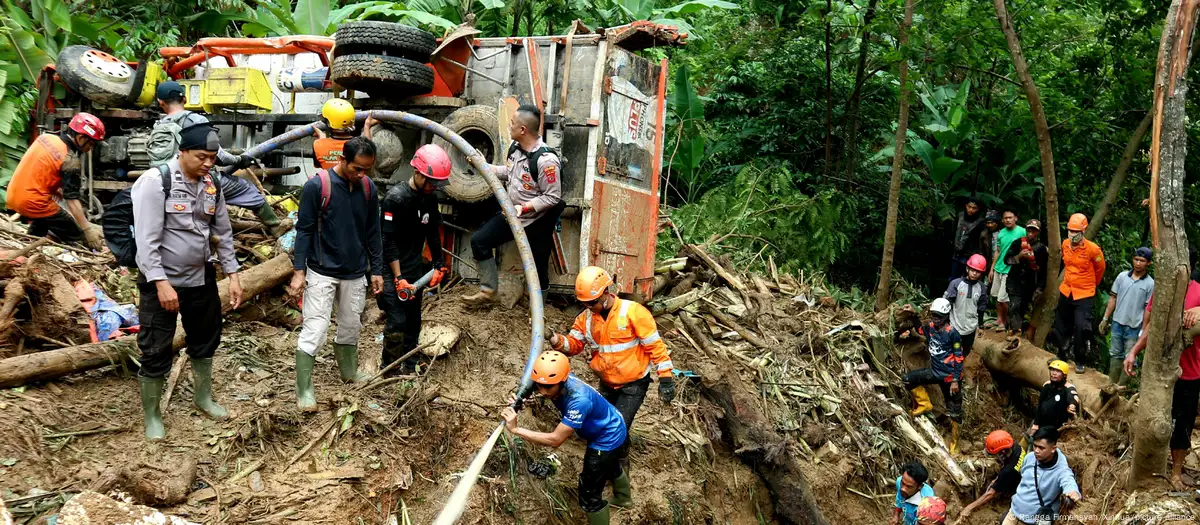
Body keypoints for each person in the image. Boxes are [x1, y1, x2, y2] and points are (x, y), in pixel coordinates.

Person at [130, 124, 243, 441]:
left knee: (206, 336)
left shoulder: (212, 184)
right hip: (162, 279)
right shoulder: (156, 182)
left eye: (212, 158)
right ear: (183, 152)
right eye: (201, 157)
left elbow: (223, 234)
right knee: (155, 346)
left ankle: (202, 397)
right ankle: (152, 416)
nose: (208, 164)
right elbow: (147, 241)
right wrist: (161, 284)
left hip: (201, 276)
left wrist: (233, 275)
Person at [288, 136, 384, 410]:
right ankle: (304, 389)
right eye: (357, 168)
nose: (362, 174)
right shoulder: (318, 186)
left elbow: (372, 232)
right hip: (321, 270)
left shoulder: (367, 188)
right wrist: (299, 271)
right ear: (343, 160)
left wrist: (375, 269)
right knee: (315, 330)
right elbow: (304, 230)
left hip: (354, 272)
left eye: (367, 169)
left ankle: (349, 372)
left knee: (351, 325)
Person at [501, 351, 631, 525]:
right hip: (612, 422)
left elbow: (555, 440)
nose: (543, 391)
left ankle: (617, 503)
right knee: (610, 463)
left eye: (548, 387)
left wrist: (516, 429)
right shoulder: (553, 379)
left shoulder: (579, 400)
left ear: (562, 381)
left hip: (607, 436)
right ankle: (624, 499)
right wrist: (519, 397)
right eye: (539, 385)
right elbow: (536, 383)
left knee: (589, 493)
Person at [549, 266, 675, 442]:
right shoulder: (585, 319)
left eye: (592, 302)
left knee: (616, 428)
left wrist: (666, 378)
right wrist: (555, 340)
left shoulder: (633, 312)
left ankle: (620, 466)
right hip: (607, 383)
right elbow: (574, 346)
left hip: (633, 384)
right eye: (584, 303)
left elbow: (655, 346)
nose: (588, 307)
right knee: (603, 426)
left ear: (605, 292)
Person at [462, 104, 566, 304]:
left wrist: (524, 208)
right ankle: (488, 292)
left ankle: (537, 310)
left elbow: (552, 197)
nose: (509, 126)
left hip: (537, 220)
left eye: (512, 123)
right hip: (512, 214)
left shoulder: (546, 161)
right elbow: (509, 173)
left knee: (537, 267)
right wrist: (484, 166)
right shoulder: (515, 149)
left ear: (523, 130)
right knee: (479, 242)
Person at [148, 81, 282, 235]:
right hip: (197, 181)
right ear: (185, 99)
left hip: (166, 181)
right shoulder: (196, 121)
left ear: (160, 102)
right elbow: (218, 155)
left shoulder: (158, 125)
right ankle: (276, 227)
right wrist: (239, 160)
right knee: (246, 188)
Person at [1123, 266, 1200, 491]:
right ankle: (1146, 468)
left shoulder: (1198, 290)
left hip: (1190, 371)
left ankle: (1176, 472)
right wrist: (1134, 351)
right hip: (1158, 371)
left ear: (1188, 269)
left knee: (1183, 424)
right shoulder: (1163, 291)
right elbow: (1152, 327)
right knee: (1153, 420)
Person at [378, 145, 451, 374]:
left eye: (437, 184)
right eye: (430, 182)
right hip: (392, 269)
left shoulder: (429, 198)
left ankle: (409, 363)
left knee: (413, 320)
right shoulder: (395, 199)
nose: (433, 187)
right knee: (397, 321)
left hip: (414, 267)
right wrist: (398, 278)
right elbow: (388, 242)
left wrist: (439, 264)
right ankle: (388, 369)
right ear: (417, 173)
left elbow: (432, 233)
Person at [5, 112, 106, 250]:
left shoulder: (46, 138)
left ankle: (29, 246)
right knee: (75, 233)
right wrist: (87, 230)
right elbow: (71, 200)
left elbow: (42, 169)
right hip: (33, 201)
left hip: (13, 195)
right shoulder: (70, 160)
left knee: (46, 218)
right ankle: (89, 255)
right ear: (81, 138)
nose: (90, 149)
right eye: (91, 144)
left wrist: (56, 189)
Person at [905, 298, 965, 454]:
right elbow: (920, 331)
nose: (935, 319)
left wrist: (955, 380)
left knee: (955, 410)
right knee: (908, 379)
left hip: (949, 377)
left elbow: (959, 358)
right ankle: (924, 404)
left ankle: (954, 442)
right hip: (935, 372)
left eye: (939, 316)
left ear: (946, 316)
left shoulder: (952, 334)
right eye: (933, 315)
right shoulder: (931, 327)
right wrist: (914, 315)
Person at [1049, 213, 1105, 372]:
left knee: (1081, 327)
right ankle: (1061, 355)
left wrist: (1093, 284)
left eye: (1076, 232)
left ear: (1083, 232)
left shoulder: (1093, 249)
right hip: (1067, 290)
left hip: (1084, 293)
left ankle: (1080, 360)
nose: (1072, 234)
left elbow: (1100, 269)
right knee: (1060, 325)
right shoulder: (1065, 244)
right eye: (1070, 231)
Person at [1003, 427, 1081, 525]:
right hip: (1013, 512)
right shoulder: (1029, 458)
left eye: (1041, 448)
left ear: (1053, 449)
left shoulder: (1061, 470)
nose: (1036, 450)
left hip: (1034, 520)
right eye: (1035, 446)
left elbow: (1068, 481)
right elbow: (1023, 477)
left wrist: (1073, 491)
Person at [1098, 247, 1154, 385]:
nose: (1138, 263)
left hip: (1135, 326)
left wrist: (1143, 329)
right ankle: (1111, 382)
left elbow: (1148, 309)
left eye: (1142, 260)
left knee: (1130, 356)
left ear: (1148, 263)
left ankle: (1121, 387)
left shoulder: (1150, 283)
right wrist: (1105, 318)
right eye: (1136, 259)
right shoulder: (1122, 277)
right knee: (1115, 354)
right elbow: (1113, 298)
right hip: (1118, 322)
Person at [954, 430, 1027, 524]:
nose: (994, 457)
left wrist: (969, 507)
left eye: (995, 455)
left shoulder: (1008, 471)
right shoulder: (1016, 446)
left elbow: (990, 494)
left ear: (1003, 452)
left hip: (1020, 489)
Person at [943, 254, 988, 358]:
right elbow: (946, 304)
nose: (975, 273)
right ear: (967, 268)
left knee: (965, 352)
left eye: (978, 271)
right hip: (955, 326)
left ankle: (959, 370)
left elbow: (981, 308)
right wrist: (944, 323)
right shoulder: (956, 284)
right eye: (973, 270)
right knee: (952, 351)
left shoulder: (981, 288)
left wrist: (981, 326)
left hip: (970, 328)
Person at [1009, 220, 1049, 338]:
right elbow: (1007, 260)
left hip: (1029, 283)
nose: (1031, 234)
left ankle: (1017, 331)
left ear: (1038, 232)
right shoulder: (1017, 243)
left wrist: (1040, 288)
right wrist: (1019, 257)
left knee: (1022, 307)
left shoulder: (1041, 249)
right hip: (1014, 281)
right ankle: (1015, 331)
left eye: (1034, 231)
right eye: (1029, 230)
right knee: (1014, 305)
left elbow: (1043, 270)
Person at [311, 98, 375, 170]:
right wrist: (367, 126)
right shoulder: (360, 146)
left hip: (329, 180)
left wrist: (323, 140)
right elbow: (368, 152)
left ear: (328, 122)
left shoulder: (318, 144)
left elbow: (318, 164)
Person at [989, 210, 1026, 331]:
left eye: (1010, 217)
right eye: (1005, 218)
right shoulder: (1001, 233)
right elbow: (998, 251)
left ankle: (1006, 322)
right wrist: (992, 268)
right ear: (1002, 220)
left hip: (1010, 270)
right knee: (996, 296)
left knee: (1003, 298)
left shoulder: (1022, 232)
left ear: (1016, 218)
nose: (1008, 220)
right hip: (998, 268)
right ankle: (999, 319)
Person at [1029, 360, 1079, 437]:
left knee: (1040, 438)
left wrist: (1072, 405)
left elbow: (1073, 397)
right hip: (1041, 422)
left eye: (1058, 371)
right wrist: (1036, 424)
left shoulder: (1068, 388)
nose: (1054, 373)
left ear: (1064, 375)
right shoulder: (1047, 385)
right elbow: (1040, 405)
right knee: (1028, 437)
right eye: (1052, 370)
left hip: (1056, 427)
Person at [951, 197, 986, 280]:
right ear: (966, 206)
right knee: (954, 279)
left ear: (978, 209)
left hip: (969, 256)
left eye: (974, 208)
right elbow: (953, 232)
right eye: (969, 207)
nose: (971, 210)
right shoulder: (960, 216)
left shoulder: (980, 222)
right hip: (956, 253)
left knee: (967, 279)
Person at [892, 461, 936, 525]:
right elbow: (900, 500)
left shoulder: (926, 503)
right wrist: (896, 515)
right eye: (903, 483)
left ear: (920, 487)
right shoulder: (899, 482)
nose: (903, 489)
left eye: (909, 487)